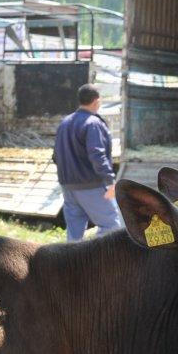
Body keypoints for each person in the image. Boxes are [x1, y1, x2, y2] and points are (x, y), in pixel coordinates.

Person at [53, 84, 122, 242]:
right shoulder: (93, 124)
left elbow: (56, 156)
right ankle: (95, 261)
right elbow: (97, 155)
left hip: (68, 186)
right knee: (111, 226)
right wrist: (110, 180)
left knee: (74, 235)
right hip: (92, 186)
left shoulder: (65, 123)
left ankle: (72, 264)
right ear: (97, 101)